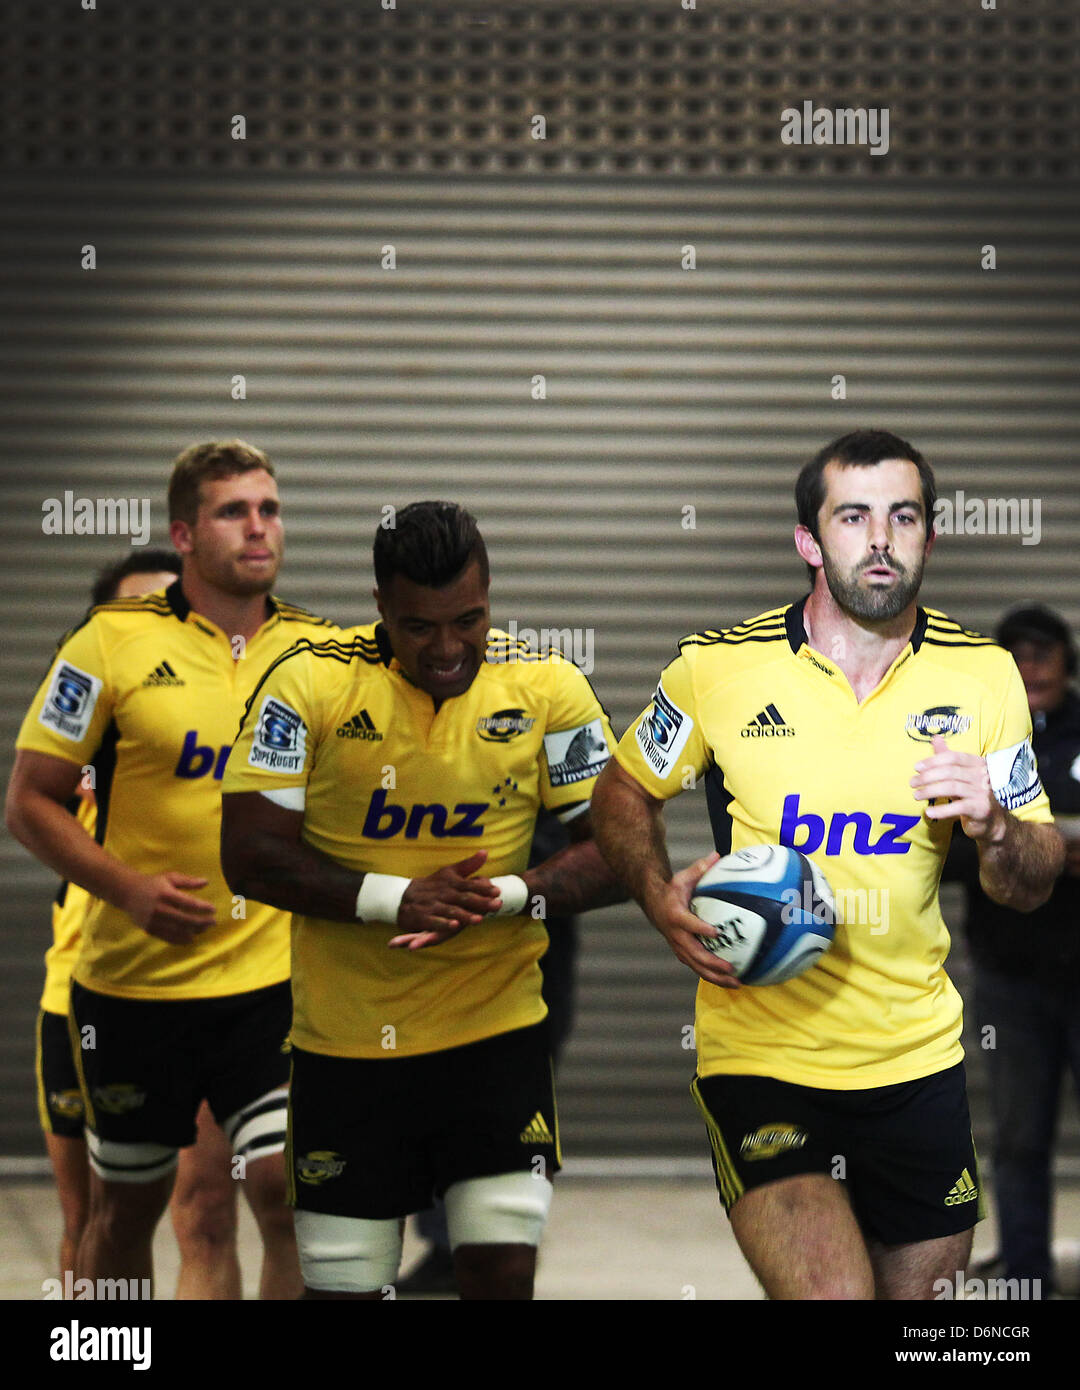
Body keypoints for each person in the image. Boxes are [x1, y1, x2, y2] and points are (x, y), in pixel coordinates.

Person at [591, 428, 1064, 1301]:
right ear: (810, 541)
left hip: (916, 1062)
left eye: (903, 516)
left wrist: (996, 825)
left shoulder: (985, 677)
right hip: (762, 1058)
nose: (880, 538)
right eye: (854, 516)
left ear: (929, 535)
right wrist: (658, 896)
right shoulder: (717, 668)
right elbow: (621, 790)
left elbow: (1028, 883)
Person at [219, 500, 625, 1300]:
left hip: (496, 1039)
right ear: (380, 608)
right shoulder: (305, 684)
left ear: (489, 597)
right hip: (345, 1052)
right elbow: (250, 857)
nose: (447, 648)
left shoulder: (549, 688)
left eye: (467, 621)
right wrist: (394, 899)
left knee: (501, 1271)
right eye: (419, 627)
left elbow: (616, 852)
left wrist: (512, 893)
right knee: (344, 1290)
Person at [7, 440, 338, 1299]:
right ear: (184, 535)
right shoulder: (107, 645)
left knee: (289, 1190)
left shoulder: (321, 654)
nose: (259, 527)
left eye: (269, 508)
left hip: (272, 985)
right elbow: (30, 801)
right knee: (125, 1210)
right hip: (133, 992)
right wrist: (127, 888)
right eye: (235, 511)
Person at [944, 605, 1080, 1298]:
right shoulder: (981, 738)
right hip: (1009, 974)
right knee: (1020, 1133)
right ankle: (1027, 1269)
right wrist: (1016, 844)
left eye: (1046, 652)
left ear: (1066, 658)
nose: (1034, 667)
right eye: (1019, 655)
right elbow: (941, 854)